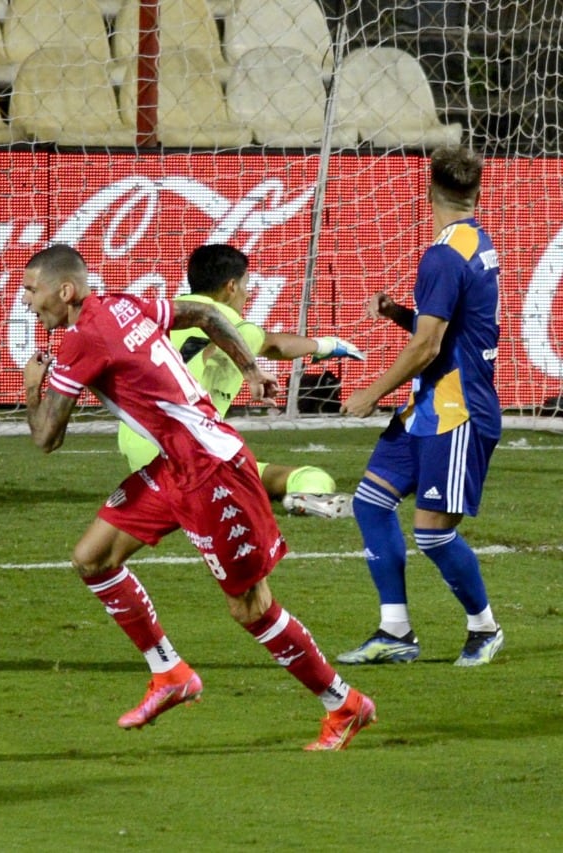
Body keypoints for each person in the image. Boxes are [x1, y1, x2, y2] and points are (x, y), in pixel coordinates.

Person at [21, 244, 376, 751]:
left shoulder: (82, 340)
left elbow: (46, 439)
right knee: (93, 558)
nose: (27, 301)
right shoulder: (124, 304)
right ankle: (169, 673)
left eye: (32, 290)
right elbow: (206, 312)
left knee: (251, 608)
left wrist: (32, 387)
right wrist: (250, 368)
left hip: (211, 472)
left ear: (65, 290)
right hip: (173, 466)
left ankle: (343, 703)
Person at [338, 146, 503, 667]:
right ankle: (396, 632)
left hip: (457, 412)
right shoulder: (475, 240)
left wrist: (370, 393)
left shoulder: (441, 256)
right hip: (427, 408)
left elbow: (430, 347)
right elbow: (446, 332)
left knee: (433, 533)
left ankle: (485, 628)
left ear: (428, 191)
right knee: (370, 502)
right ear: (475, 194)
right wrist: (398, 314)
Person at [117, 243, 365, 519]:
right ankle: (311, 494)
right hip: (188, 453)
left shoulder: (157, 318)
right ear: (231, 286)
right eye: (246, 285)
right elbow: (277, 346)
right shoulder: (233, 326)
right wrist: (327, 344)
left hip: (137, 447)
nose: (248, 295)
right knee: (310, 476)